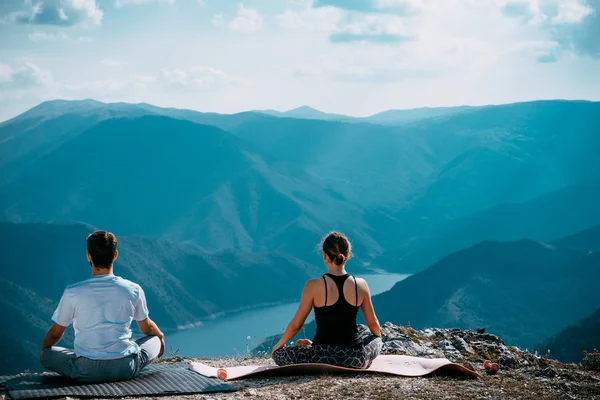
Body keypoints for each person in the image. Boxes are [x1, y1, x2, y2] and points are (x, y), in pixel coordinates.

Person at [40, 230, 165, 383]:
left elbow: (55, 333)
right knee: (154, 340)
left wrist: (44, 352)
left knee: (47, 355)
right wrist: (160, 337)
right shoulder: (133, 289)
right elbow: (147, 328)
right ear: (115, 255)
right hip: (125, 368)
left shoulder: (73, 291)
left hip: (86, 370)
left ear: (89, 256)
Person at [271, 232, 382, 369]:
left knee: (279, 354)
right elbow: (373, 324)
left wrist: (278, 347)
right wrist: (377, 340)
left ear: (324, 255)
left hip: (321, 356)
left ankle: (309, 346)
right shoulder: (361, 284)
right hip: (355, 359)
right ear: (347, 256)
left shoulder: (313, 285)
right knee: (375, 338)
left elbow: (296, 325)